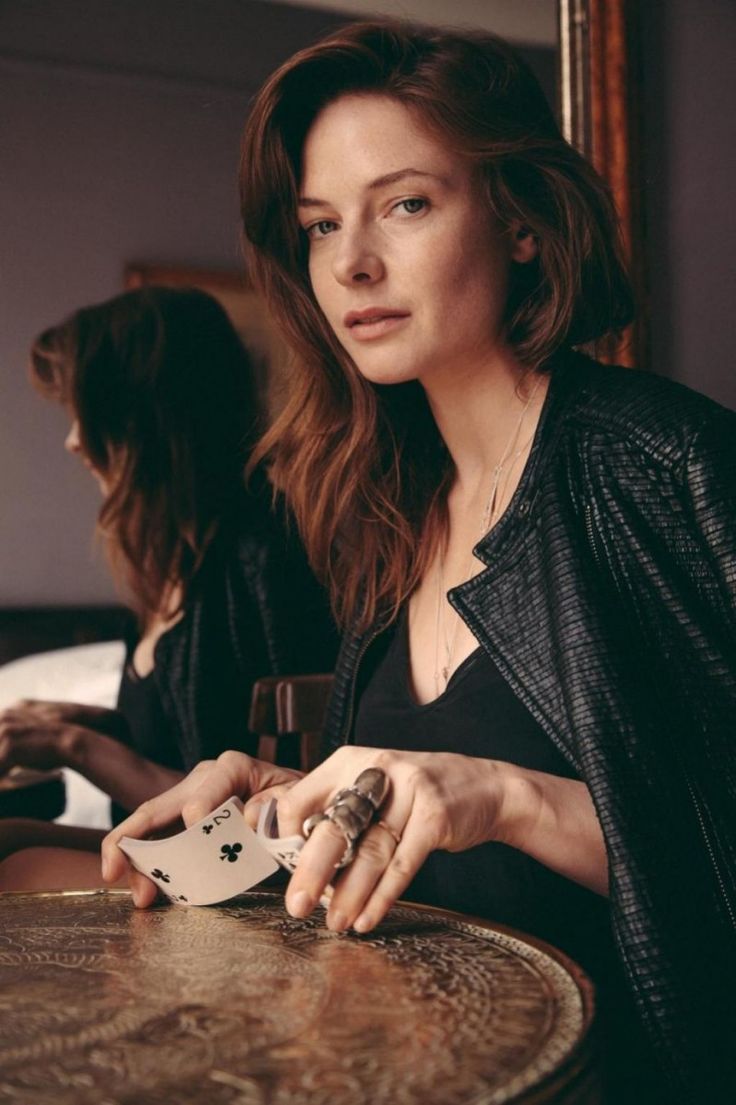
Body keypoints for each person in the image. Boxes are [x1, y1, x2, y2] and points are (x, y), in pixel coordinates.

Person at [103, 22, 736, 1103]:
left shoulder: (661, 464)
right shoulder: (382, 508)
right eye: (317, 226)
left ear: (522, 223)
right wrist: (293, 799)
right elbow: (427, 824)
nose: (349, 262)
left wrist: (508, 796)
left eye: (405, 204)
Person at [0, 285, 337, 889]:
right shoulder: (172, 560)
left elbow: (259, 805)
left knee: (10, 863)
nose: (74, 440)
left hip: (229, 881)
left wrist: (74, 745)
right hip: (156, 852)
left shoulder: (264, 559)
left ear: (149, 416)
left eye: (89, 414)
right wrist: (77, 724)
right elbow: (181, 743)